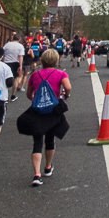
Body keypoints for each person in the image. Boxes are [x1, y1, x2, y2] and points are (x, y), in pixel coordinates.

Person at [18, 49, 70, 187]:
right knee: (50, 139)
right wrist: (65, 95)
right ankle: (47, 167)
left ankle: (36, 174)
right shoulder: (61, 73)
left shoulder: (35, 75)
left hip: (37, 110)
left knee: (37, 142)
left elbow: (29, 94)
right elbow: (67, 87)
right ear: (56, 60)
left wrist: (36, 101)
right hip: (53, 110)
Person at [3, 33, 25, 100]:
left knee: (5, 79)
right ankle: (13, 95)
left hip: (6, 62)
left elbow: (3, 54)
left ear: (13, 38)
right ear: (19, 39)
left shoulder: (7, 45)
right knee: (15, 78)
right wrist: (20, 65)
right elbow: (20, 56)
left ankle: (5, 96)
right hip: (15, 62)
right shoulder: (20, 46)